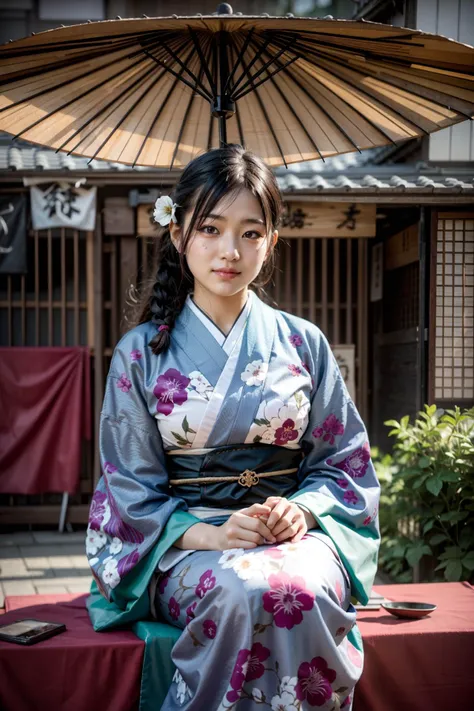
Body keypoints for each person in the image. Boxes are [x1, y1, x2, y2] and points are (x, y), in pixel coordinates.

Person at [85, 144, 380, 711]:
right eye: (211, 228)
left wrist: (308, 508)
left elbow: (344, 459)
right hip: (188, 542)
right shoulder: (140, 354)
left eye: (250, 232)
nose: (230, 251)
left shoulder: (303, 343)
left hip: (292, 535)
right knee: (243, 591)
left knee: (297, 590)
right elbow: (128, 488)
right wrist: (213, 535)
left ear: (271, 241)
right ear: (178, 235)